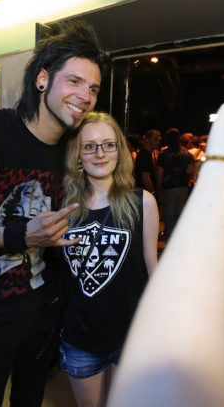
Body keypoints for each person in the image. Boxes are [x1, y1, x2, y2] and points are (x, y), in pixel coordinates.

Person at [0, 21, 106, 406]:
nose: (86, 96)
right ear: (43, 79)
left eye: (93, 88)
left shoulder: (71, 151)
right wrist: (18, 235)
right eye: (75, 82)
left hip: (45, 311)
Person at [108, 96, 224, 407]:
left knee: (174, 225)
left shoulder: (153, 180)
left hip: (171, 192)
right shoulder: (171, 160)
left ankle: (175, 242)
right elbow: (168, 382)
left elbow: (164, 384)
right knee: (176, 225)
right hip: (180, 191)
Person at [60, 112, 159, 407]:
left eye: (108, 144)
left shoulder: (143, 202)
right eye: (89, 146)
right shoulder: (63, 206)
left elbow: (152, 268)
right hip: (80, 338)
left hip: (131, 335)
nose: (100, 153)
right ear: (78, 155)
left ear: (120, 150)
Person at [156, 127, 195, 239]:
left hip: (168, 188)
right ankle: (178, 239)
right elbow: (190, 170)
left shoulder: (164, 154)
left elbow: (160, 172)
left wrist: (159, 187)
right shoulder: (186, 154)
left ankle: (170, 241)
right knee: (179, 215)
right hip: (183, 188)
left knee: (168, 216)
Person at [134, 129, 161, 194]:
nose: (158, 143)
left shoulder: (147, 154)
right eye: (155, 140)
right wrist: (152, 193)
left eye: (158, 140)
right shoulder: (144, 154)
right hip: (144, 193)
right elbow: (145, 177)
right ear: (147, 140)